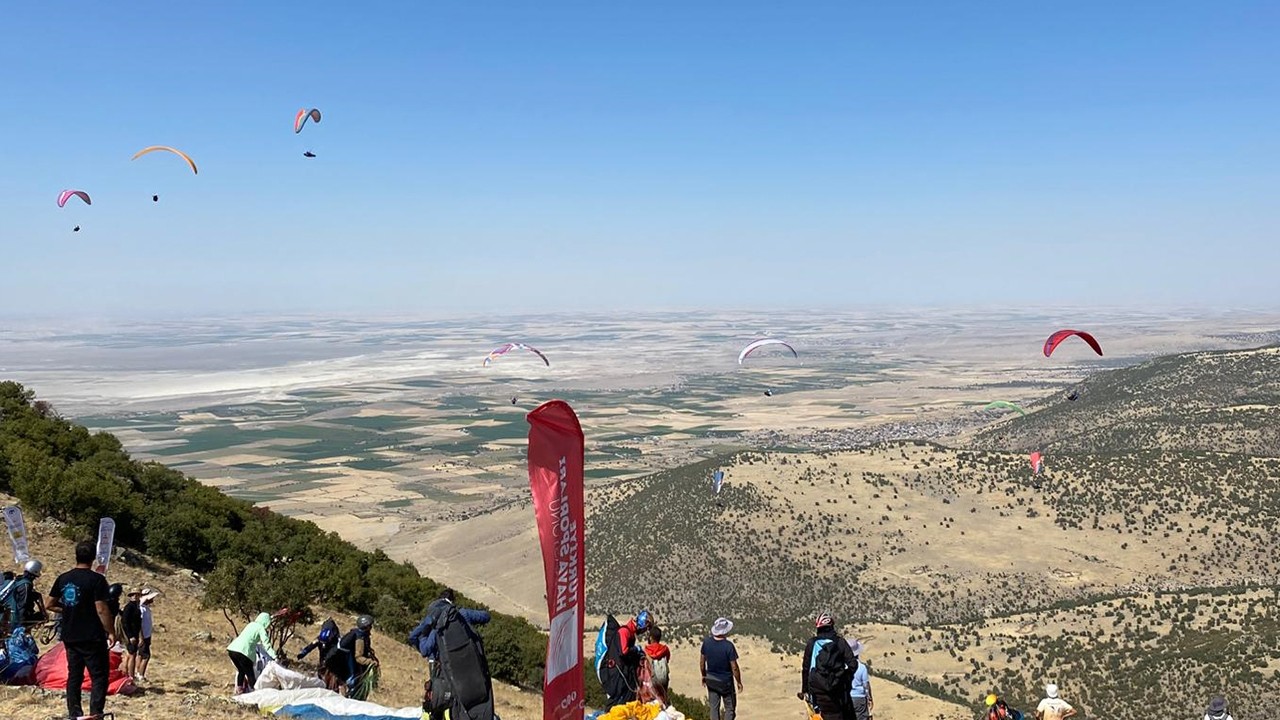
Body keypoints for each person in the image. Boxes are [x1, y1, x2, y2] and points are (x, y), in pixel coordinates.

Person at [45, 541, 114, 720]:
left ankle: (74, 713)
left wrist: (68, 609)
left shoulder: (63, 578)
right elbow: (101, 608)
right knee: (98, 676)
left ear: (76, 555)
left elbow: (49, 604)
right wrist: (111, 631)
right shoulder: (97, 580)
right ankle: (96, 713)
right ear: (93, 558)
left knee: (74, 675)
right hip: (92, 636)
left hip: (70, 635)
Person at [799, 612, 857, 720]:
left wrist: (805, 690)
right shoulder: (840, 642)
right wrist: (844, 679)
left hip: (817, 693)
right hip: (838, 693)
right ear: (832, 625)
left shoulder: (812, 643)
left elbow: (806, 669)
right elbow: (853, 664)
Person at [324, 614, 378, 697]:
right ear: (366, 626)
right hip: (348, 665)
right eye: (370, 626)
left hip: (341, 662)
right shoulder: (360, 637)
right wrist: (370, 662)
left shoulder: (357, 633)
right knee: (352, 682)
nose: (371, 628)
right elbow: (358, 657)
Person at [701, 617, 741, 720]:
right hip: (725, 682)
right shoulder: (728, 646)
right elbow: (734, 667)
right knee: (730, 708)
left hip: (711, 679)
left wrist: (704, 675)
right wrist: (739, 682)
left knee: (714, 708)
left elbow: (702, 662)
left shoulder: (706, 642)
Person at [227, 612, 276, 693]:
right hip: (244, 652)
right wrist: (274, 656)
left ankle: (239, 691)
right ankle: (254, 694)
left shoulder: (251, 624)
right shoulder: (261, 628)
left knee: (241, 671)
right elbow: (266, 644)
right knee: (250, 675)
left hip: (232, 649)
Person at [298, 618, 342, 689]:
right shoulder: (319, 639)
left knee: (335, 682)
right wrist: (303, 653)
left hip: (334, 664)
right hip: (323, 662)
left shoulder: (337, 641)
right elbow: (311, 646)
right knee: (321, 678)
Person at [3, 559, 45, 632]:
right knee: (41, 616)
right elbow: (23, 605)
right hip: (16, 618)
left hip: (8, 615)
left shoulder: (18, 580)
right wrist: (20, 625)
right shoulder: (25, 585)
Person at [643, 625, 672, 707]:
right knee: (663, 698)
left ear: (651, 638)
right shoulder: (665, 649)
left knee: (652, 701)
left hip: (651, 678)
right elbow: (667, 660)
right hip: (663, 678)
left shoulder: (646, 650)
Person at [136, 588, 159, 682]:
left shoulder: (146, 608)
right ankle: (141, 675)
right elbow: (139, 624)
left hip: (146, 635)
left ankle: (138, 673)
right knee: (146, 656)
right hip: (143, 636)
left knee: (141, 655)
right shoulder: (142, 609)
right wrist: (141, 637)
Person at [121, 587, 143, 681]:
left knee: (131, 654)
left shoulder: (136, 607)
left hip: (135, 633)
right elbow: (125, 622)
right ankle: (130, 676)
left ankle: (128, 675)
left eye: (137, 595)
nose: (135, 596)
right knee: (131, 655)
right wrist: (130, 636)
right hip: (131, 635)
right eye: (133, 595)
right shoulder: (129, 607)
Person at [848, 640, 872, 720]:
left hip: (846, 697)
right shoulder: (862, 667)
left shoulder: (843, 667)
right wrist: (869, 698)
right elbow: (866, 685)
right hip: (860, 698)